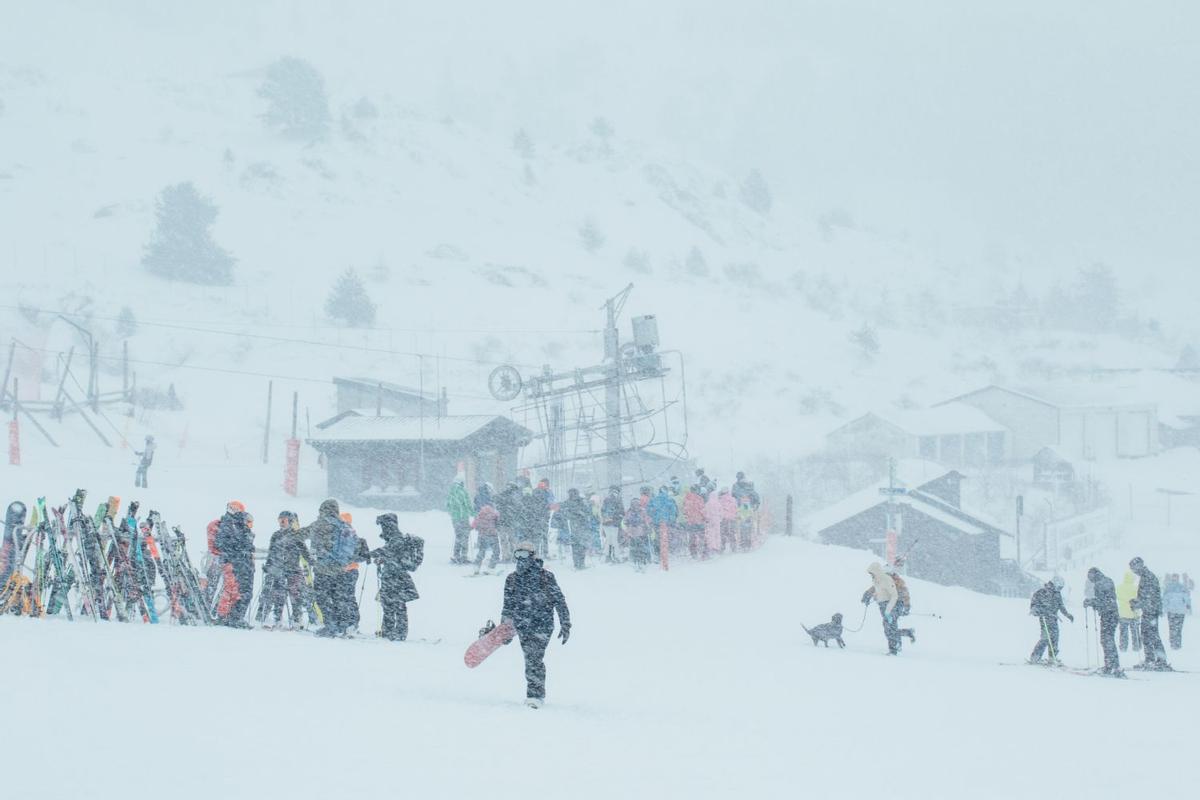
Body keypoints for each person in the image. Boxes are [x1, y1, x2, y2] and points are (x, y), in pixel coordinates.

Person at [500, 540, 570, 708]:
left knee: (534, 657)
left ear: (532, 557)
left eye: (525, 555)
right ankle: (536, 692)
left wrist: (565, 623)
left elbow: (559, 600)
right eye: (518, 555)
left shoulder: (545, 577)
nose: (521, 559)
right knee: (530, 658)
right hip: (522, 624)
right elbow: (507, 605)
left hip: (542, 624)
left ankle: (535, 695)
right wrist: (504, 627)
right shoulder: (512, 579)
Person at [301, 499, 355, 637]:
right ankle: (341, 625)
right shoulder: (344, 525)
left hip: (323, 569)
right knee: (338, 597)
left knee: (322, 598)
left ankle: (330, 626)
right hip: (340, 569)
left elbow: (301, 535)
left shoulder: (320, 524)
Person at [369, 513, 423, 641]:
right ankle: (392, 631)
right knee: (391, 605)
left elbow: (387, 551)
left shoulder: (396, 539)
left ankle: (397, 632)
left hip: (396, 578)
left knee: (395, 605)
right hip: (393, 577)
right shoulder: (394, 538)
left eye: (383, 526)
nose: (382, 529)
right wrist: (382, 559)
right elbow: (392, 555)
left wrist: (368, 554)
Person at [258, 510, 311, 629]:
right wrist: (268, 565)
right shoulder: (275, 535)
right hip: (278, 569)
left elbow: (305, 552)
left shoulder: (297, 535)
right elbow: (271, 552)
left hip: (293, 569)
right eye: (279, 520)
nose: (281, 522)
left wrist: (312, 562)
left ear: (290, 521)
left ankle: (297, 619)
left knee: (295, 595)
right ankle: (278, 620)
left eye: (284, 520)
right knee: (278, 595)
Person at [214, 500, 255, 628]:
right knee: (237, 591)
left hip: (241, 563)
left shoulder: (236, 525)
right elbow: (224, 544)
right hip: (236, 563)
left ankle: (233, 617)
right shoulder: (228, 524)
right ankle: (232, 617)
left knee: (240, 591)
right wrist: (239, 551)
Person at [1129, 557, 1170, 669]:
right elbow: (1145, 596)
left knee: (1151, 635)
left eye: (1134, 568)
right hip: (1150, 610)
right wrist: (1136, 601)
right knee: (1147, 635)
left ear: (1140, 565)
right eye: (1132, 569)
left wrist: (1137, 604)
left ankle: (1159, 660)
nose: (1134, 571)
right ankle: (1152, 659)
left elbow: (1149, 597)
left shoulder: (1148, 577)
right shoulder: (1145, 576)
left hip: (1151, 611)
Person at [1083, 567, 1122, 675]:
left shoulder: (1100, 583)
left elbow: (1103, 601)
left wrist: (1091, 602)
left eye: (1090, 576)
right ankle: (1112, 665)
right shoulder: (1107, 580)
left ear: (1094, 574)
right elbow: (1107, 599)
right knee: (1108, 639)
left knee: (1106, 640)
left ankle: (1111, 666)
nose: (1089, 579)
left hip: (1108, 615)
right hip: (1111, 614)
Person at [1028, 576, 1074, 664]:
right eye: (1059, 587)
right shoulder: (1041, 592)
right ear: (1055, 584)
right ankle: (1035, 657)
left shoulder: (1057, 594)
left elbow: (1061, 606)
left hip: (1053, 619)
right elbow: (1034, 605)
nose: (1060, 589)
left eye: (1061, 588)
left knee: (1055, 638)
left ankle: (1052, 657)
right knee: (1045, 638)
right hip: (1044, 618)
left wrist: (1067, 615)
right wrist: (1037, 610)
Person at [862, 562, 901, 655]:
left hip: (891, 606)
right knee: (887, 628)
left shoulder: (886, 579)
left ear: (876, 571)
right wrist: (871, 597)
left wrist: (888, 611)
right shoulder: (876, 580)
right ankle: (894, 647)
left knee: (891, 628)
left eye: (871, 573)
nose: (871, 575)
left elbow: (894, 595)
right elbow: (880, 592)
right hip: (882, 606)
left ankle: (894, 649)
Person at [553, 488, 593, 570]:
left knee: (576, 546)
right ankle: (581, 563)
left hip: (574, 527)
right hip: (580, 527)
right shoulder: (580, 502)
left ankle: (577, 564)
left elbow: (561, 511)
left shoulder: (569, 503)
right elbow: (588, 513)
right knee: (581, 545)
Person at [888, 560, 916, 644]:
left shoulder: (899, 582)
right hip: (892, 605)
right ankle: (906, 633)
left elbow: (905, 594)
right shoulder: (889, 579)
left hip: (897, 605)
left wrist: (907, 606)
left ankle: (897, 645)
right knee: (891, 627)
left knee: (891, 626)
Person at [495, 481, 523, 563]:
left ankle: (506, 556)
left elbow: (496, 502)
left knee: (504, 541)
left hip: (502, 521)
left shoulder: (501, 496)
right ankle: (514, 556)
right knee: (513, 540)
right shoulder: (514, 497)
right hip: (510, 522)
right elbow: (519, 508)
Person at [446, 476, 473, 564]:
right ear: (461, 483)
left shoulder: (451, 492)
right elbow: (468, 504)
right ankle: (464, 556)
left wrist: (453, 513)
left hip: (455, 519)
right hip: (463, 517)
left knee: (458, 536)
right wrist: (473, 514)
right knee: (465, 536)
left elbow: (447, 505)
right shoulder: (463, 492)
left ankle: (456, 555)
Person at [647, 486, 677, 561]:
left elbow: (648, 511)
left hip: (656, 522)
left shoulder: (654, 500)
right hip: (667, 522)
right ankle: (665, 553)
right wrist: (671, 519)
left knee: (657, 538)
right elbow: (673, 511)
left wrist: (654, 515)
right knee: (666, 537)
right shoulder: (669, 500)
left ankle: (658, 553)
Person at [1163, 573, 1192, 650]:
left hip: (1171, 611)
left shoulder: (1168, 587)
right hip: (1180, 611)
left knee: (1172, 627)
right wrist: (1188, 606)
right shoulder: (1182, 587)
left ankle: (1173, 643)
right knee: (1178, 628)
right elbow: (1187, 598)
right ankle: (1177, 644)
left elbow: (1165, 600)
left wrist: (1164, 609)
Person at [1116, 570, 1141, 652]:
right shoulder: (1135, 588)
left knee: (1123, 632)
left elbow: (1117, 597)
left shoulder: (1119, 587)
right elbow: (1138, 598)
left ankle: (1123, 647)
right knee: (1135, 632)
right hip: (1133, 612)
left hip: (1123, 613)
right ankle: (1136, 646)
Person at [472, 502, 501, 573]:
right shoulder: (495, 514)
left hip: (482, 536)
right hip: (492, 535)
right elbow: (498, 523)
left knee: (481, 551)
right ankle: (491, 567)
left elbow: (474, 525)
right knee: (496, 552)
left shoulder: (480, 514)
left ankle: (476, 567)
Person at [625, 496, 651, 571]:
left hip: (632, 532)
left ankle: (635, 561)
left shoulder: (629, 511)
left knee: (634, 547)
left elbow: (626, 521)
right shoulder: (642, 511)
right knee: (641, 547)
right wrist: (648, 528)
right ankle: (643, 560)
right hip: (641, 531)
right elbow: (646, 520)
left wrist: (628, 530)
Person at [600, 486, 624, 563]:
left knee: (608, 540)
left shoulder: (606, 499)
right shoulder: (618, 500)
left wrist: (606, 517)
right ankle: (615, 556)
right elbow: (621, 512)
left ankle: (608, 556)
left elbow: (602, 511)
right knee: (614, 540)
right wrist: (618, 518)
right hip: (614, 523)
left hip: (606, 523)